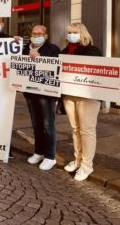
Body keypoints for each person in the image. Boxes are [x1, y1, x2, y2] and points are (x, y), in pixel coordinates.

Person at [60, 22, 102, 181]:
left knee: (87, 130)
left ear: (82, 33)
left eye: (74, 32)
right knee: (75, 129)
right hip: (70, 95)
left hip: (88, 97)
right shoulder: (65, 51)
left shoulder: (92, 50)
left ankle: (87, 165)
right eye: (69, 32)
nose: (71, 35)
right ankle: (78, 159)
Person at [22, 25, 60, 170]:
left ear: (45, 35)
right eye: (34, 33)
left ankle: (50, 156)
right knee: (36, 123)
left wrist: (41, 58)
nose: (36, 35)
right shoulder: (25, 48)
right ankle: (39, 151)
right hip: (30, 92)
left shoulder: (53, 49)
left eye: (39, 33)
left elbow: (56, 66)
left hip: (46, 94)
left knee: (48, 125)